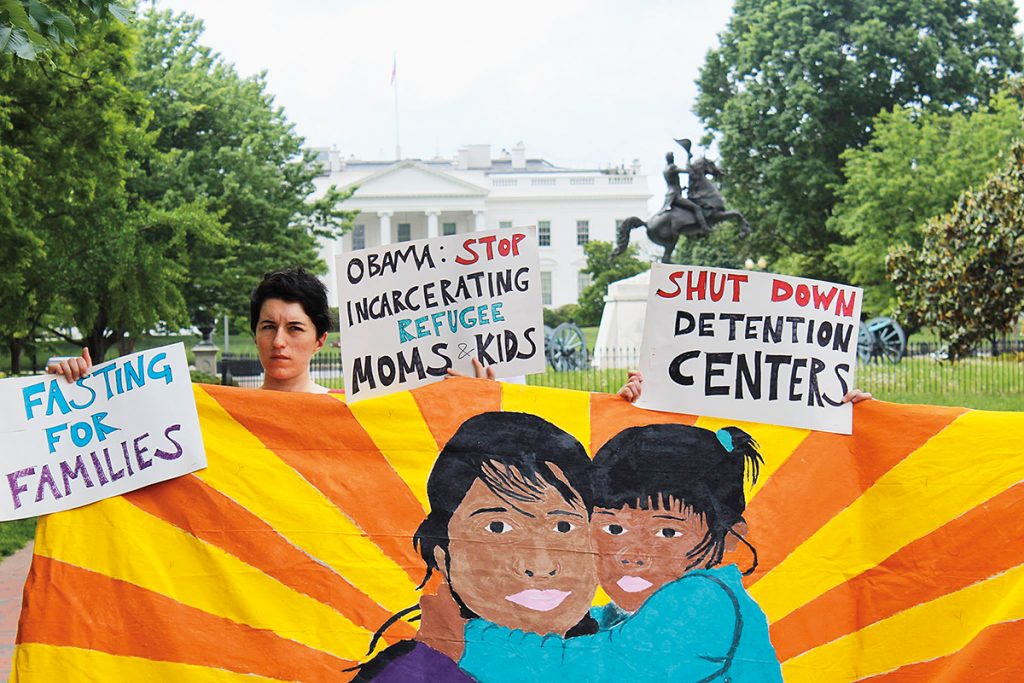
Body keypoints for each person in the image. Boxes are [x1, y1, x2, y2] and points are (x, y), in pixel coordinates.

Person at [453, 423, 783, 682]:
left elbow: (590, 669)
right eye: (613, 529)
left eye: (667, 532)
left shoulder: (705, 600)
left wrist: (463, 637)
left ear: (728, 538)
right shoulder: (624, 615)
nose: (631, 554)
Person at [353, 411, 599, 681]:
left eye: (563, 527)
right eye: (498, 527)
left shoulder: (627, 652)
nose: (540, 565)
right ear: (442, 554)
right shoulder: (407, 675)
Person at [46, 267, 333, 395]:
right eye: (268, 327)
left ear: (319, 340)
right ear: (255, 334)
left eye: (294, 329)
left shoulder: (347, 417)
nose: (278, 341)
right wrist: (77, 389)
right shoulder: (219, 418)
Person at [661, 151, 711, 233]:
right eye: (673, 156)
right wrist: (688, 158)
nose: (674, 158)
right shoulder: (672, 167)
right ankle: (704, 227)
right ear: (671, 158)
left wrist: (681, 188)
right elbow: (688, 170)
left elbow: (672, 183)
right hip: (675, 195)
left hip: (670, 195)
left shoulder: (665, 169)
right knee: (696, 208)